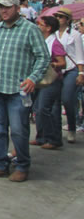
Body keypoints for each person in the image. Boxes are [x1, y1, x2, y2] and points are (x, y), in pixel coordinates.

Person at [0, 0, 49, 182]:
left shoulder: (30, 30)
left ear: (18, 9)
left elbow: (43, 57)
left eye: (8, 7)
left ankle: (22, 165)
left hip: (19, 91)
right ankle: (0, 164)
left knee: (19, 130)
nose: (3, 10)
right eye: (1, 7)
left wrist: (33, 78)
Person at [33, 15, 66, 149]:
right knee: (38, 108)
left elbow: (62, 63)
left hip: (52, 80)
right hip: (41, 79)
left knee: (44, 109)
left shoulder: (54, 43)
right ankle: (41, 137)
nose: (38, 26)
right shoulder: (42, 40)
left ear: (48, 28)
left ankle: (53, 139)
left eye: (40, 24)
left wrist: (51, 64)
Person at [53, 7, 84, 144]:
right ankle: (56, 133)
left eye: (61, 16)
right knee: (54, 102)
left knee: (67, 99)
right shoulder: (53, 33)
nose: (58, 18)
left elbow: (79, 56)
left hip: (71, 70)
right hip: (57, 70)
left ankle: (72, 126)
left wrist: (81, 73)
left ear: (67, 19)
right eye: (57, 16)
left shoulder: (75, 34)